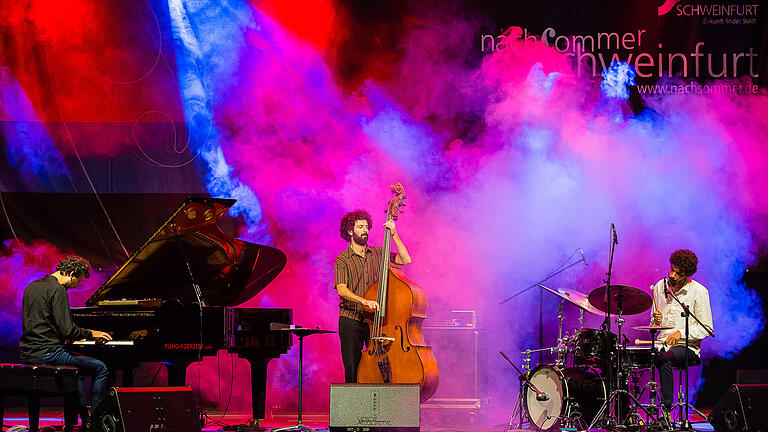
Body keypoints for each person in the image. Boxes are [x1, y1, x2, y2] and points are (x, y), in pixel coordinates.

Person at [20, 255, 114, 417]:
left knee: (75, 373)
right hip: (48, 354)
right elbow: (68, 330)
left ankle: (84, 417)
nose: (77, 285)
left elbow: (42, 322)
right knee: (101, 367)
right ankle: (96, 417)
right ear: (71, 274)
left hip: (28, 353)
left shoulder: (32, 286)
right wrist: (92, 333)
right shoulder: (58, 290)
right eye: (78, 280)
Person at [333, 210, 411, 383]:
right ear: (350, 231)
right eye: (360, 227)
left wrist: (395, 235)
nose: (365, 230)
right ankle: (353, 406)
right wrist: (364, 301)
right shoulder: (342, 260)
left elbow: (406, 260)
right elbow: (341, 289)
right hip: (350, 318)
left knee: (380, 365)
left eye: (367, 227)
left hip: (375, 320)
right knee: (352, 366)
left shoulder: (378, 253)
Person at [650, 249, 713, 417]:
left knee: (665, 358)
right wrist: (656, 322)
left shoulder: (699, 292)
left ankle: (666, 410)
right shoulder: (659, 287)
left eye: (679, 273)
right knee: (624, 358)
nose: (673, 275)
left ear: (687, 275)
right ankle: (627, 409)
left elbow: (706, 328)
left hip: (688, 347)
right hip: (660, 343)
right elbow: (653, 325)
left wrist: (680, 333)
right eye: (672, 269)